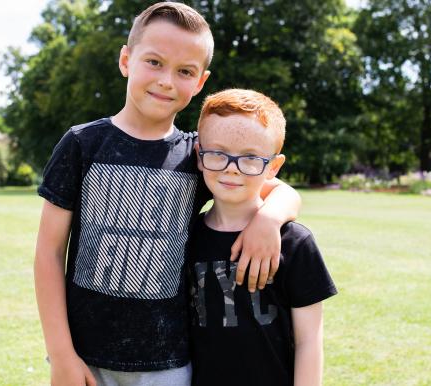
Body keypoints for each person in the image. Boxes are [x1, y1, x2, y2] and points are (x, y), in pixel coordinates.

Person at [34, 3, 301, 385]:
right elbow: (48, 253)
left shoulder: (198, 155)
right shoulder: (82, 144)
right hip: (83, 357)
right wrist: (61, 354)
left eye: (185, 71)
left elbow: (281, 190)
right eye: (154, 62)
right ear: (126, 59)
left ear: (200, 82)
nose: (166, 81)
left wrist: (270, 220)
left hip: (168, 363)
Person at [188, 89, 337, 386]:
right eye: (218, 153)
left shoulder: (295, 243)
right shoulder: (185, 237)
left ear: (274, 167)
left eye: (251, 158)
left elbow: (309, 340)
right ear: (199, 156)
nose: (232, 168)